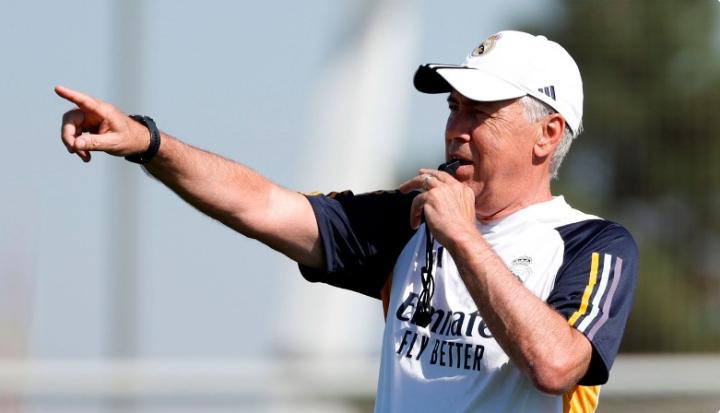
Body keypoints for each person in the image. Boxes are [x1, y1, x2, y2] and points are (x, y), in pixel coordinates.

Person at [56, 30, 638, 413]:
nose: (456, 130)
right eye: (453, 108)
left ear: (547, 134)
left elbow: (556, 365)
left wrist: (463, 236)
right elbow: (262, 205)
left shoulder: (593, 244)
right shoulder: (408, 220)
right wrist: (149, 143)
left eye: (480, 113)